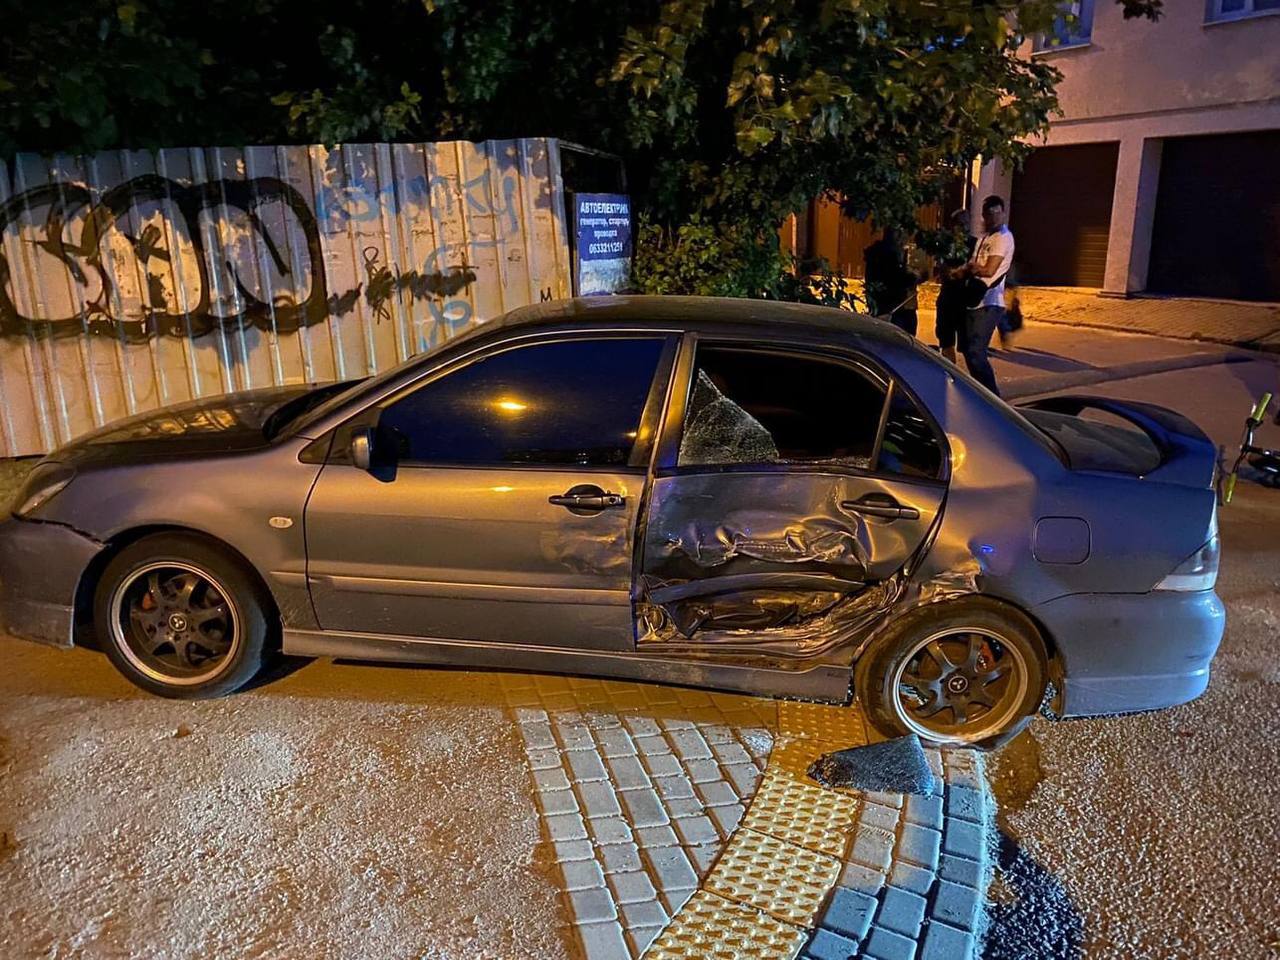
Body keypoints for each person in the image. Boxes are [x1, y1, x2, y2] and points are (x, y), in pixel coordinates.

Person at [957, 195, 1015, 396]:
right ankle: (981, 393)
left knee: (976, 353)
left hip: (990, 302)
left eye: (997, 214)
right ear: (983, 216)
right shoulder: (984, 237)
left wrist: (972, 268)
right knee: (967, 350)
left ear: (1003, 213)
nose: (994, 219)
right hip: (973, 299)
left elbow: (989, 270)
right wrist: (960, 272)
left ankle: (992, 398)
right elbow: (972, 265)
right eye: (989, 215)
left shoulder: (1003, 238)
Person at [934, 208, 977, 364]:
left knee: (967, 347)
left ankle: (967, 382)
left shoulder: (974, 244)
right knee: (946, 341)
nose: (964, 227)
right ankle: (950, 375)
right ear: (953, 225)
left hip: (965, 301)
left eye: (966, 223)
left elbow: (975, 267)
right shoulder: (946, 244)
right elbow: (941, 268)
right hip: (947, 298)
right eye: (960, 223)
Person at [863, 227, 923, 336]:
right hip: (893, 309)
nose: (904, 239)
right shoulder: (888, 255)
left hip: (887, 307)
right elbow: (896, 279)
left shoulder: (878, 254)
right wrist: (914, 277)